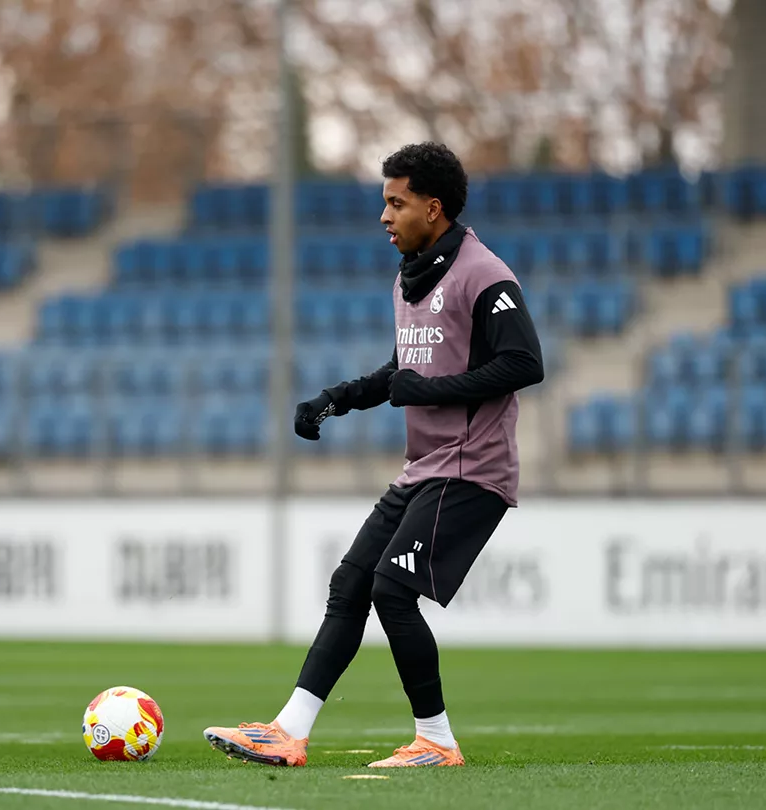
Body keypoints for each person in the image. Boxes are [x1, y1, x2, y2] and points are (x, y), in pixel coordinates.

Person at [202, 142, 544, 768]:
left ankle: (436, 742)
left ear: (433, 208)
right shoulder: (408, 278)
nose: (384, 216)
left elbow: (525, 363)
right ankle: (289, 730)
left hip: (473, 468)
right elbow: (402, 372)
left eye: (396, 202)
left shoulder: (484, 273)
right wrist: (335, 400)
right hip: (425, 467)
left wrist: (430, 390)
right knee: (351, 582)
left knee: (391, 589)